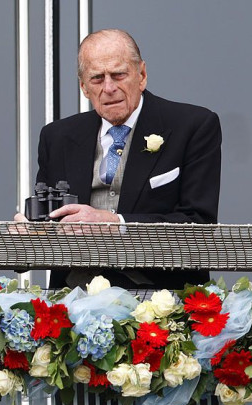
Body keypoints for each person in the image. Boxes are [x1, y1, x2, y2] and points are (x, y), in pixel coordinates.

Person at [16, 29, 221, 289]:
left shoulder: (193, 126)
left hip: (161, 299)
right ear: (83, 86)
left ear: (142, 75)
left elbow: (199, 226)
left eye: (119, 75)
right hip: (72, 299)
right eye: (97, 78)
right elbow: (50, 228)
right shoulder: (56, 136)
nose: (109, 88)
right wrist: (30, 237)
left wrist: (116, 223)